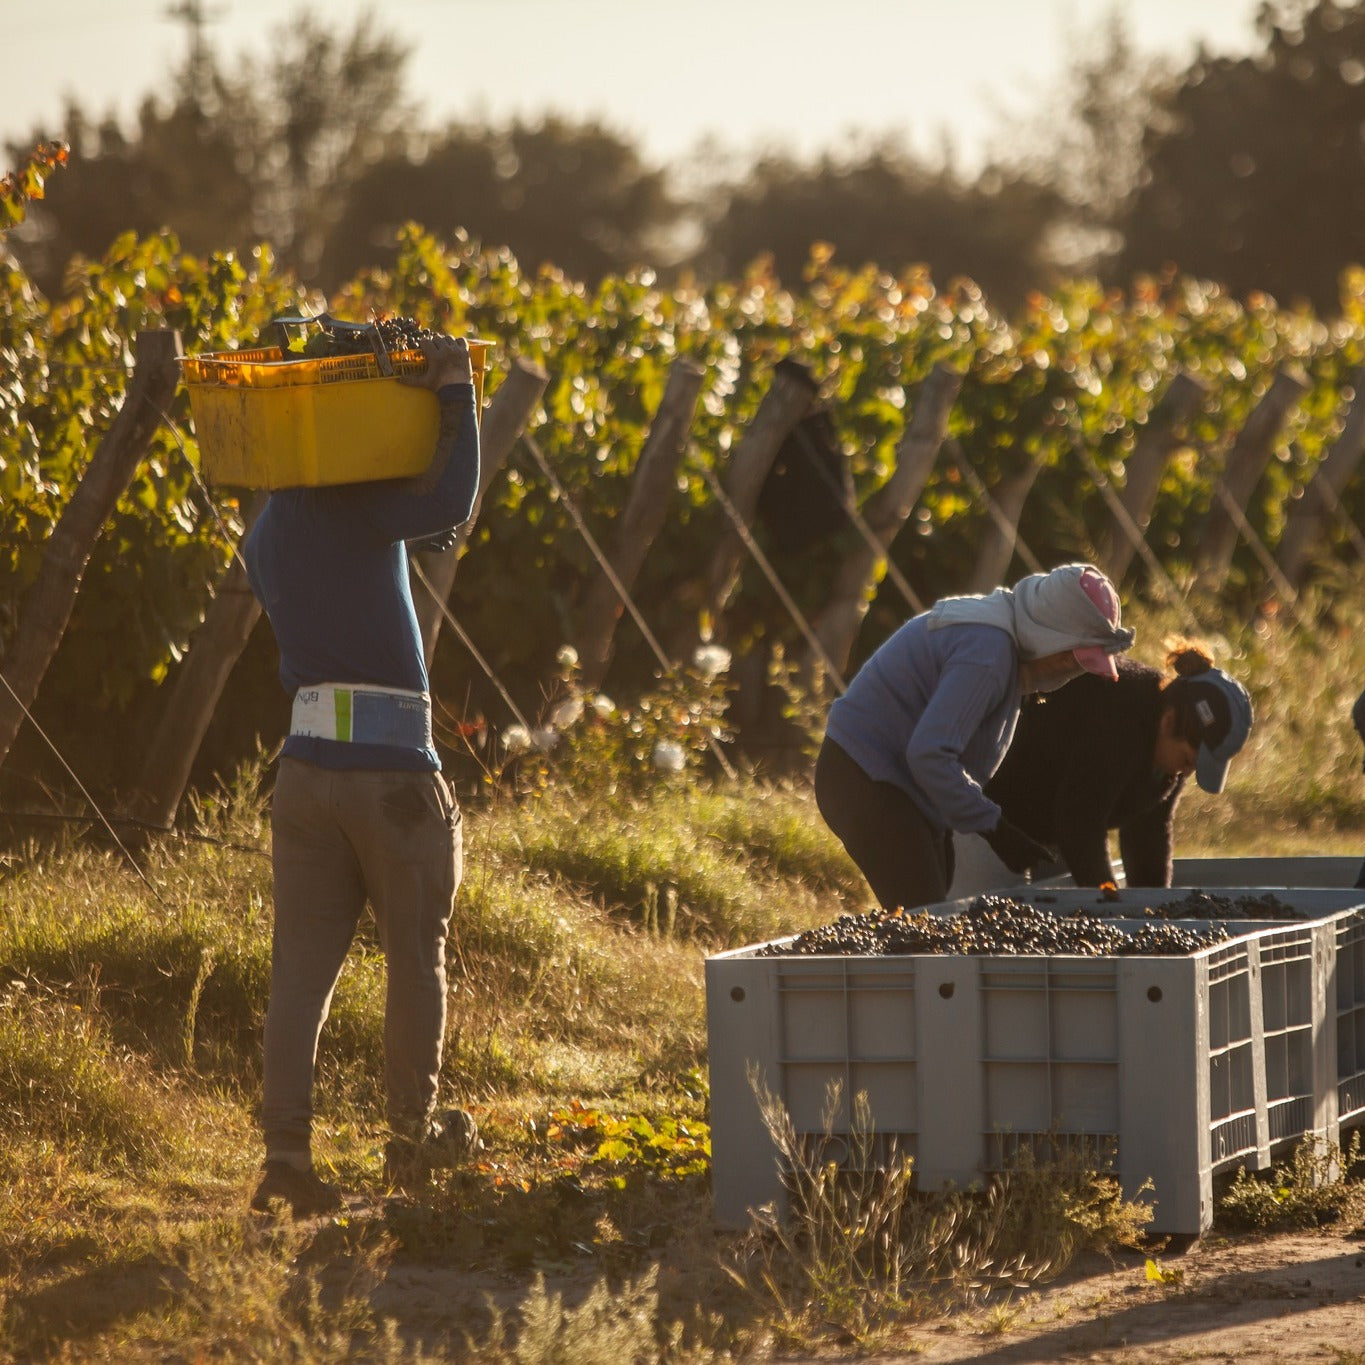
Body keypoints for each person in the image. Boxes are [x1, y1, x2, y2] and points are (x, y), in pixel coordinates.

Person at [243, 332, 481, 1217]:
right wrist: (454, 391)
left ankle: (286, 1163)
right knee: (416, 958)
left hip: (303, 772)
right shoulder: (353, 497)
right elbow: (453, 499)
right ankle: (409, 1148)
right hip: (389, 771)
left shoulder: (268, 527)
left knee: (298, 972)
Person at [815, 562, 1136, 912]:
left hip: (899, 788)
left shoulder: (1003, 642)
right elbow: (930, 755)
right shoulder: (988, 654)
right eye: (1071, 661)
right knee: (925, 926)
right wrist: (995, 828)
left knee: (934, 915)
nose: (1068, 671)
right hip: (864, 777)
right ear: (1050, 639)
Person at [982, 640, 1254, 888]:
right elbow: (1080, 824)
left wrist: (1154, 913)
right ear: (1169, 721)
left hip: (1053, 825)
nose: (1187, 773)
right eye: (1188, 760)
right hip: (992, 806)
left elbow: (1148, 832)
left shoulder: (1168, 749)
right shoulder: (1119, 724)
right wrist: (1110, 902)